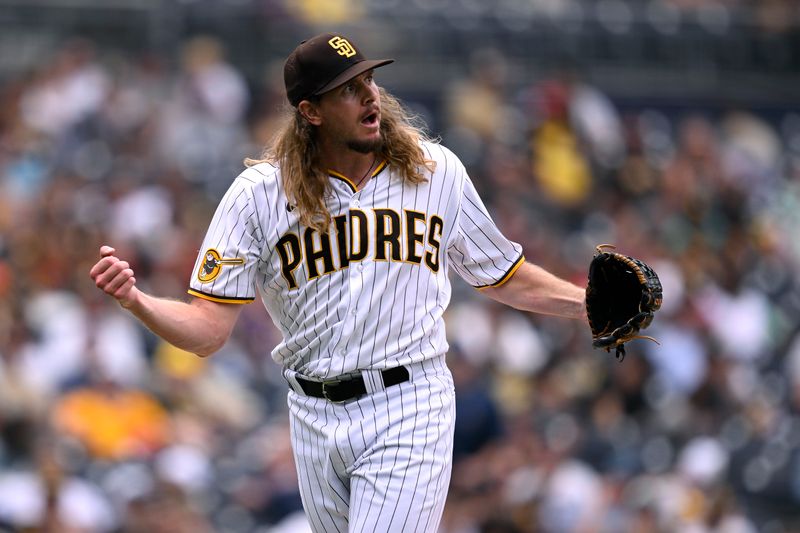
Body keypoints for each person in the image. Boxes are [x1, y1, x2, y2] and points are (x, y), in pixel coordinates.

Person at [89, 32, 587, 533]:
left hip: (409, 401)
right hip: (311, 416)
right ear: (311, 112)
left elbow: (503, 273)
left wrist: (588, 304)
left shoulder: (435, 172)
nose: (370, 95)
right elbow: (207, 329)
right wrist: (136, 300)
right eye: (348, 88)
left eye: (369, 79)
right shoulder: (258, 196)